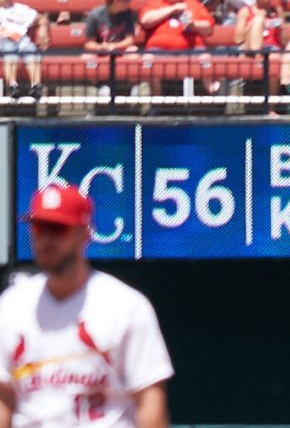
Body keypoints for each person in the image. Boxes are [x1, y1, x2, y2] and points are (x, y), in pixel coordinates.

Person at [0, 181, 173, 428]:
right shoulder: (11, 306)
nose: (46, 239)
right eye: (39, 228)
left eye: (57, 229)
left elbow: (149, 402)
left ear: (85, 233)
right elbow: (3, 399)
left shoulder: (125, 306)